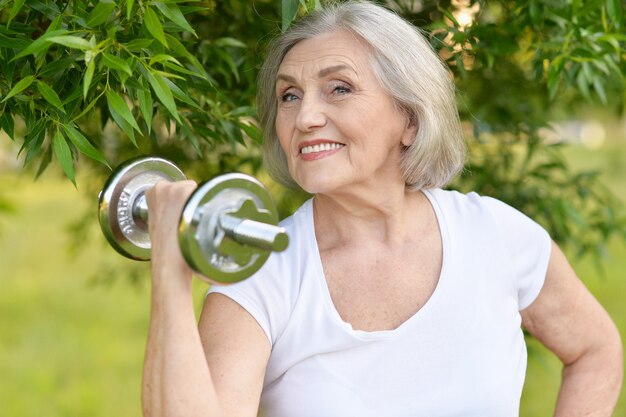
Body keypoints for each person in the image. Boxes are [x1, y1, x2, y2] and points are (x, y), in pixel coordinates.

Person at [142, 1, 623, 416]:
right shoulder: (261, 273)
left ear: (410, 119)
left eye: (339, 88)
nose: (304, 117)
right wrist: (170, 268)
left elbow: (595, 349)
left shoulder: (496, 235)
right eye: (289, 95)